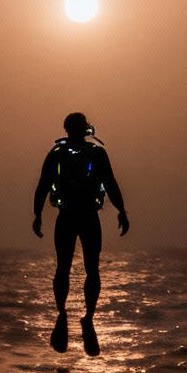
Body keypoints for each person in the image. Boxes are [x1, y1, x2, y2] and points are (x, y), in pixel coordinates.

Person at [31, 112, 128, 355]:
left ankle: (69, 315)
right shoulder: (82, 153)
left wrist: (38, 215)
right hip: (79, 217)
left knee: (70, 268)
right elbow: (44, 184)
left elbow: (43, 186)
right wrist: (121, 211)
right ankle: (80, 317)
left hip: (76, 217)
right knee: (84, 269)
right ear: (85, 129)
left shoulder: (68, 154)